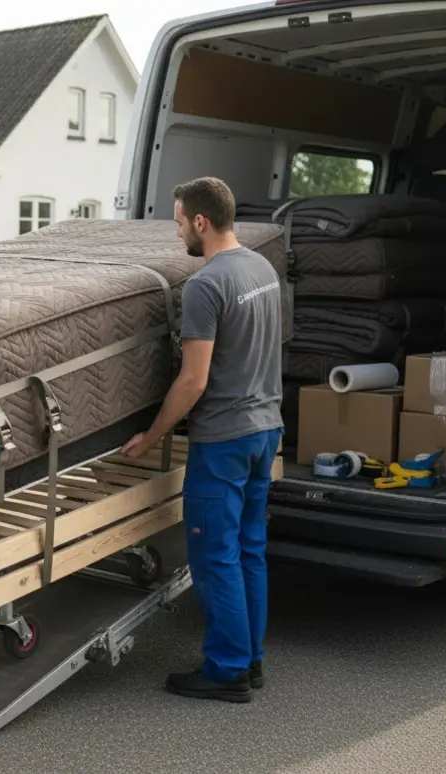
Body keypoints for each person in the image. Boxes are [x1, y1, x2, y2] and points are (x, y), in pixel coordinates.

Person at [120, 176, 283, 704]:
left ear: (201, 222)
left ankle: (228, 669)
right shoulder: (262, 267)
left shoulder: (205, 286)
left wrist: (151, 436)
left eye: (178, 222)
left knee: (216, 556)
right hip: (266, 430)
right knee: (249, 549)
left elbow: (194, 380)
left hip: (225, 441)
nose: (177, 234)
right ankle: (251, 659)